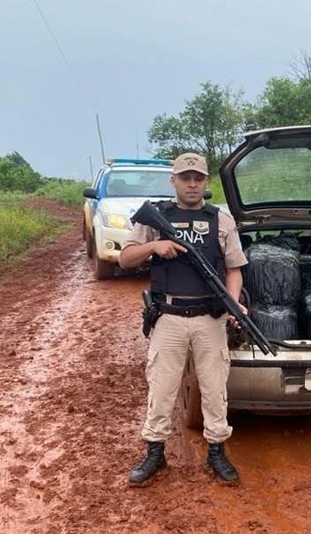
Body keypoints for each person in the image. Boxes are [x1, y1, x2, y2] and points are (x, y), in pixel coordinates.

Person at [118, 152, 248, 487]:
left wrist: (234, 304)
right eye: (185, 177)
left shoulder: (222, 220)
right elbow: (125, 258)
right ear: (173, 180)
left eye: (198, 178)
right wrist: (155, 246)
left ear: (206, 183)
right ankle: (155, 451)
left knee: (215, 389)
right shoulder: (155, 217)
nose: (192, 184)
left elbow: (234, 269)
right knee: (161, 388)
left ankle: (217, 450)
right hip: (169, 317)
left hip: (210, 318)